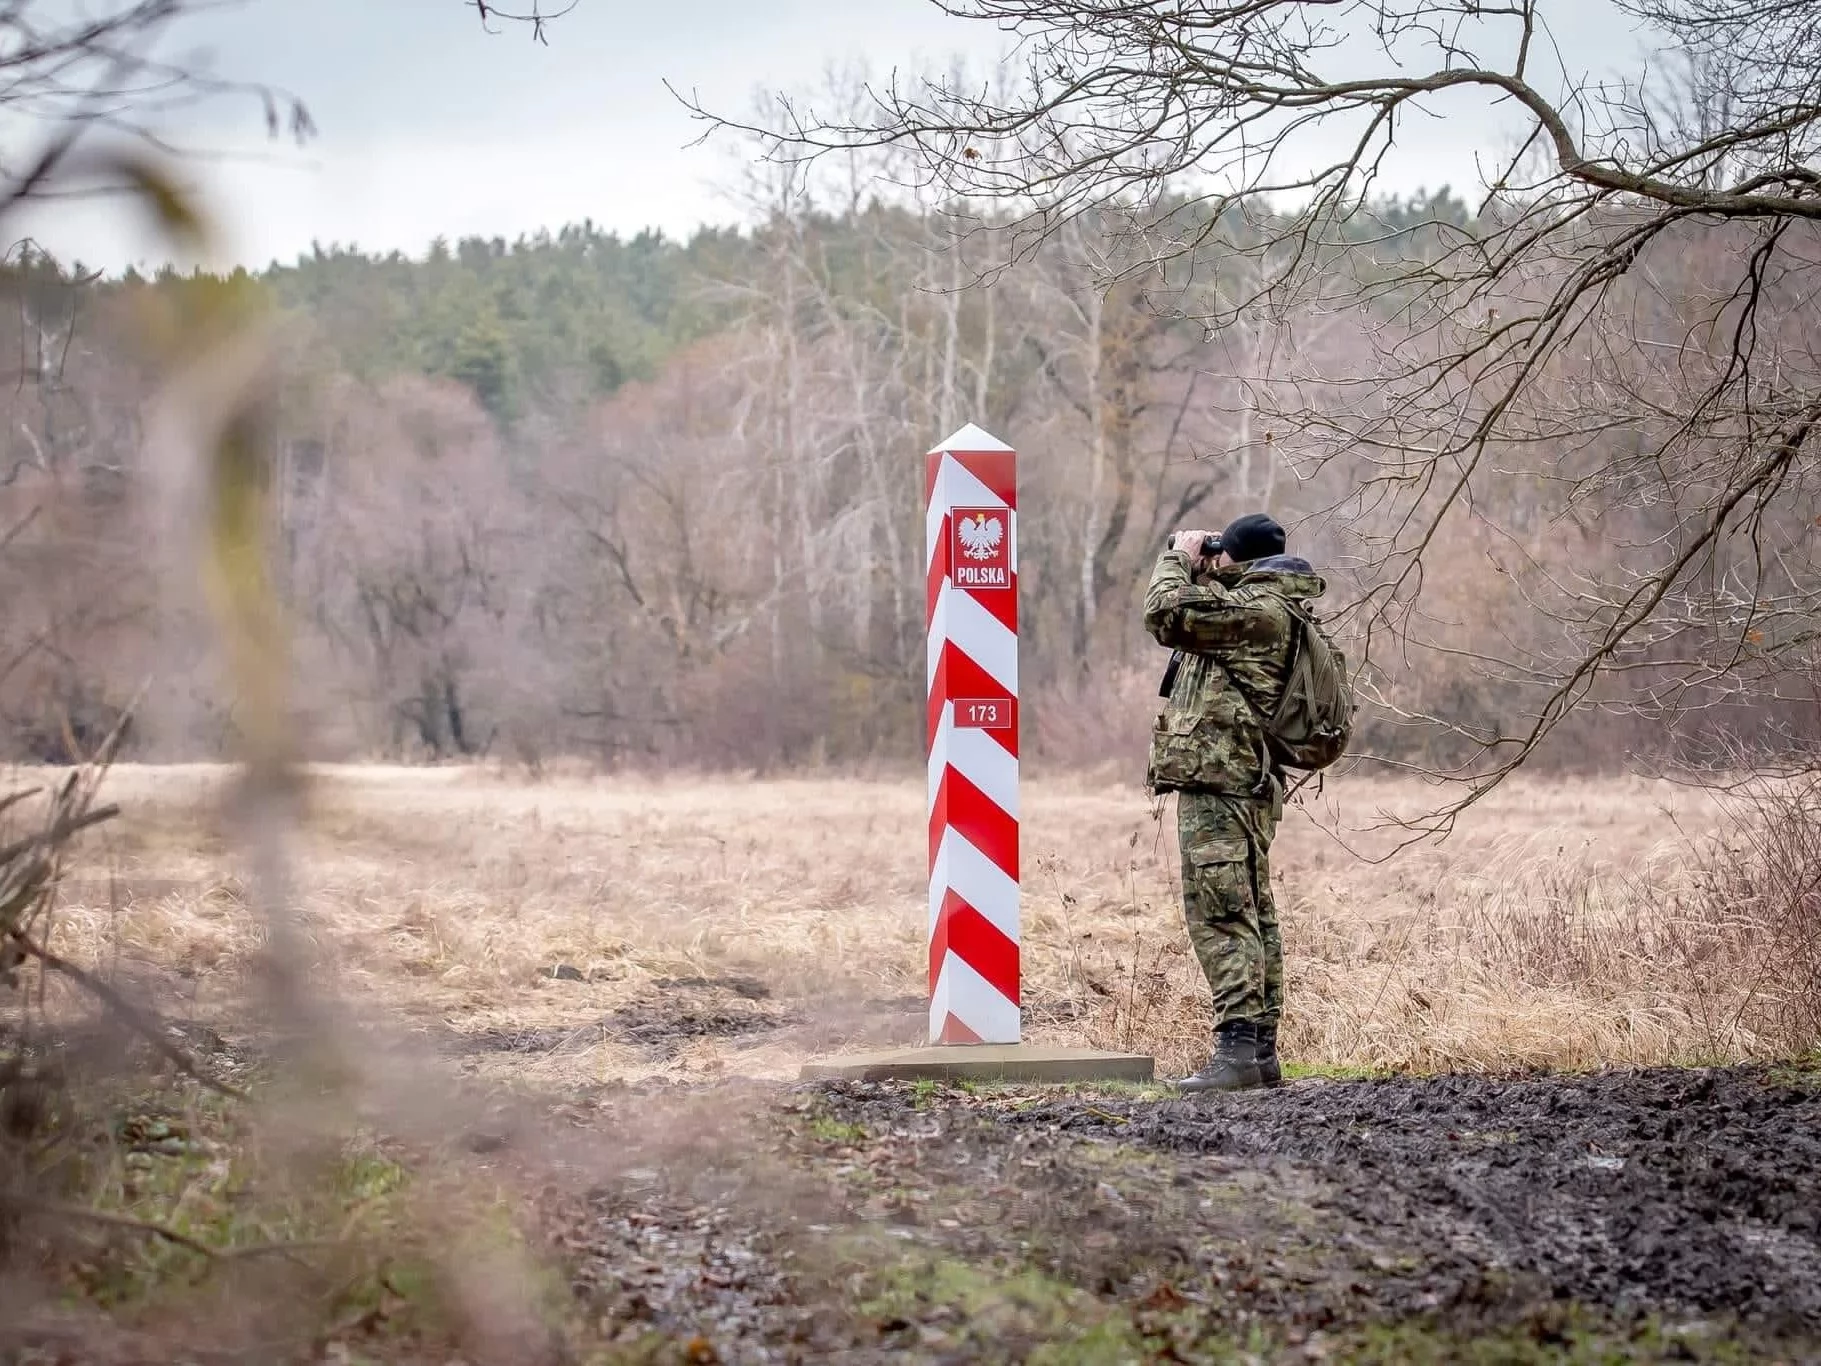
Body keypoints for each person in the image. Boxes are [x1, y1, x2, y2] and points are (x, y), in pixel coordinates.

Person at [1143, 512, 1326, 1095]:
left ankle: (1238, 1050)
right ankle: (1260, 1051)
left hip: (1224, 781)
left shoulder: (1257, 614)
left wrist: (1178, 557)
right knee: (1252, 909)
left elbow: (1165, 614)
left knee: (1222, 912)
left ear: (1237, 563)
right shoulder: (1272, 610)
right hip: (1238, 780)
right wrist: (1211, 567)